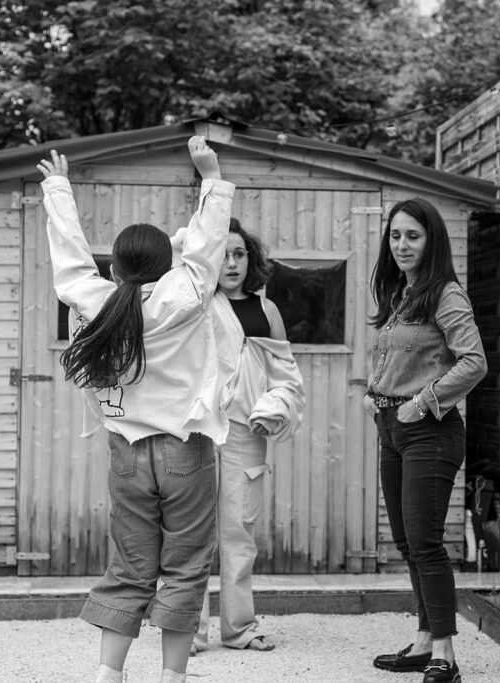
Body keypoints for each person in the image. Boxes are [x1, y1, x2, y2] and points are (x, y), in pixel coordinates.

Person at [36, 136, 234, 683]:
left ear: (116, 268)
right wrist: (210, 176)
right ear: (167, 266)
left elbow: (71, 261)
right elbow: (207, 242)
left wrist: (58, 188)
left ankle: (108, 674)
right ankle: (172, 677)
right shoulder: (186, 295)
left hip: (125, 451)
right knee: (186, 566)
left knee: (129, 568)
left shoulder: (95, 301)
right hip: (184, 450)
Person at [365, 198, 487, 683]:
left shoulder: (445, 295)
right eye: (395, 236)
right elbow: (397, 358)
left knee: (426, 542)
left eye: (412, 236)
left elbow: (474, 362)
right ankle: (422, 641)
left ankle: (445, 655)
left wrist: (423, 401)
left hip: (429, 431)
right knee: (407, 542)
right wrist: (375, 394)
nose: (401, 245)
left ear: (432, 239)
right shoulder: (400, 295)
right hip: (392, 429)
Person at [190, 218, 305, 654]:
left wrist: (272, 409)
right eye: (224, 253)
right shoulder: (197, 304)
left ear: (250, 259)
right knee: (194, 530)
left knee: (239, 531)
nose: (232, 262)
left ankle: (239, 629)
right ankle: (191, 630)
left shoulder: (266, 310)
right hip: (199, 431)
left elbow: (286, 378)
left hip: (246, 432)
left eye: (240, 254)